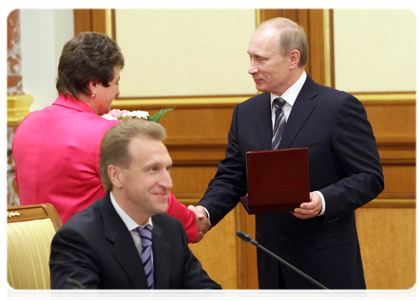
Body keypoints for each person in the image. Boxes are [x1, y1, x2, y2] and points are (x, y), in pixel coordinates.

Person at [194, 17, 384, 300]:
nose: (251, 68)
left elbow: (370, 177)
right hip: (272, 267)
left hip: (326, 268)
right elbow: (232, 177)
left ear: (293, 58)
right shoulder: (244, 113)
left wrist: (322, 201)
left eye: (261, 59)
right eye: (250, 57)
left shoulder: (338, 107)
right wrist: (205, 212)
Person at [12, 31, 209, 242]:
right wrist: (190, 223)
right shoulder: (103, 133)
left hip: (32, 260)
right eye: (115, 82)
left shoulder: (27, 125)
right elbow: (147, 191)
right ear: (93, 85)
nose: (118, 92)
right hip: (87, 260)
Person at [50, 119, 228, 300]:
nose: (168, 183)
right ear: (116, 176)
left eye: (167, 169)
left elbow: (206, 292)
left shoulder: (170, 228)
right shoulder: (78, 238)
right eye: (153, 169)